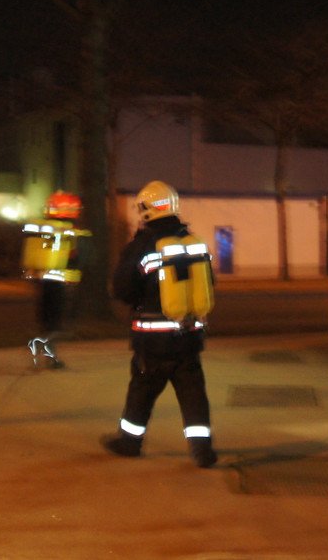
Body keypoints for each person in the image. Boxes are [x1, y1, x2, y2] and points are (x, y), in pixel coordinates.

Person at [101, 180, 218, 468]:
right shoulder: (194, 242)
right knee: (193, 393)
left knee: (141, 390)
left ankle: (129, 442)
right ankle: (202, 450)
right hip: (189, 337)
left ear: (145, 210)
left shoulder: (142, 246)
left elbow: (122, 289)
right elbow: (209, 284)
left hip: (152, 340)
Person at [20, 190, 90, 369]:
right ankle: (44, 350)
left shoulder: (41, 228)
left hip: (42, 282)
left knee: (47, 321)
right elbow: (78, 257)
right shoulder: (69, 232)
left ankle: (48, 356)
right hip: (60, 283)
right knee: (57, 323)